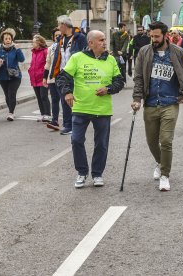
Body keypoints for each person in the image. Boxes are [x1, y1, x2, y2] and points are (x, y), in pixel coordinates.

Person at [130, 21, 183, 191]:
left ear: (166, 35)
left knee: (165, 140)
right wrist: (137, 98)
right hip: (150, 103)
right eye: (151, 36)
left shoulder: (178, 52)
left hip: (170, 102)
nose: (153, 39)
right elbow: (138, 77)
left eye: (157, 36)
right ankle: (160, 162)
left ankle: (165, 175)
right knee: (152, 142)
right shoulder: (144, 52)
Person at [56, 30, 124, 188]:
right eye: (101, 40)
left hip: (102, 110)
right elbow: (62, 77)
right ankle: (82, 172)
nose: (104, 42)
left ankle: (97, 174)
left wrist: (108, 89)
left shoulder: (111, 60)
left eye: (105, 39)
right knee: (76, 140)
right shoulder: (77, 58)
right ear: (91, 43)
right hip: (81, 107)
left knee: (101, 144)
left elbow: (119, 82)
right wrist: (67, 92)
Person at [49, 15, 87, 135]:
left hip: (75, 74)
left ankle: (77, 123)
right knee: (64, 100)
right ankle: (68, 125)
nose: (58, 27)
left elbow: (85, 54)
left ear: (64, 25)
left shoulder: (80, 37)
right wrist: (53, 73)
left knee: (75, 100)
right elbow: (57, 56)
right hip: (62, 73)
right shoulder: (60, 39)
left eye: (59, 25)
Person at [0, 28, 25, 121]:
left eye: (9, 38)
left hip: (15, 76)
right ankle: (10, 110)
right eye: (6, 39)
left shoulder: (15, 49)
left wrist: (18, 49)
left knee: (11, 94)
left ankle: (11, 113)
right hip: (3, 76)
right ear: (3, 40)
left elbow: (22, 59)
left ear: (12, 39)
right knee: (7, 95)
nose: (8, 40)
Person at [29, 35, 50, 122]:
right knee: (39, 97)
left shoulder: (45, 51)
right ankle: (42, 114)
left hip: (43, 78)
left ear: (39, 43)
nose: (32, 44)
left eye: (33, 42)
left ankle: (48, 115)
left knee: (44, 96)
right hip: (34, 78)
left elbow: (48, 64)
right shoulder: (33, 52)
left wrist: (45, 76)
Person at [43, 28, 62, 130]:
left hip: (62, 78)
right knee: (54, 100)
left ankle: (71, 120)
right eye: (56, 36)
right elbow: (48, 63)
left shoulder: (65, 47)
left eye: (60, 35)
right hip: (52, 78)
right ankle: (54, 120)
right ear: (53, 37)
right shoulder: (51, 48)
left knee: (65, 100)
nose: (58, 37)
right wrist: (44, 77)